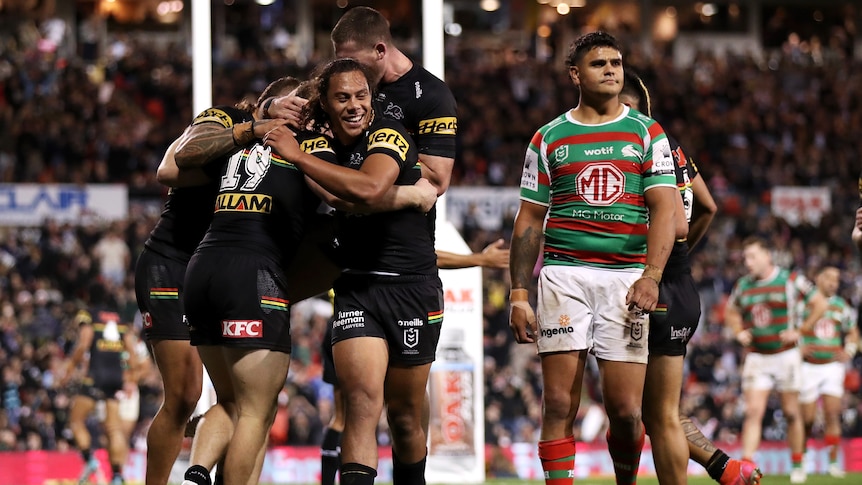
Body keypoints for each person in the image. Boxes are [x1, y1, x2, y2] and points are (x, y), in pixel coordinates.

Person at [507, 32, 678, 485]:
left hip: (626, 278)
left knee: (624, 411)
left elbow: (667, 208)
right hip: (564, 276)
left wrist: (652, 275)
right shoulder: (548, 137)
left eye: (616, 63)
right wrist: (519, 294)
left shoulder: (646, 130)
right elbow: (528, 220)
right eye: (599, 63)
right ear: (575, 75)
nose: (610, 70)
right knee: (560, 403)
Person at [265, 58, 441, 485]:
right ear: (326, 102)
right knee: (362, 405)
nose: (354, 106)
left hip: (411, 287)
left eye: (361, 95)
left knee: (402, 419)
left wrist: (297, 157)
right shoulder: (320, 144)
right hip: (356, 286)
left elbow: (366, 188)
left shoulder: (389, 135)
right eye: (342, 97)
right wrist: (272, 106)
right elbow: (336, 193)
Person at [135, 77, 298, 485]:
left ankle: (206, 473)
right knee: (184, 396)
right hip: (170, 263)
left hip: (213, 271)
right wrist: (249, 134)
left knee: (240, 400)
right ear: (271, 102)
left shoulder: (288, 149)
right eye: (291, 105)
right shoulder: (227, 119)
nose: (297, 116)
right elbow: (169, 168)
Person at [619, 71, 762, 485]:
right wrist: (674, 259)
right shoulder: (672, 147)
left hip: (649, 286)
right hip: (681, 284)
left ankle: (723, 469)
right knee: (660, 412)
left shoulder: (629, 149)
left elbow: (675, 222)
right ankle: (726, 468)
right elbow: (708, 207)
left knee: (648, 415)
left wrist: (656, 264)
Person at [318, 240, 509, 485]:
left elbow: (420, 253)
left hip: (397, 300)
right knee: (359, 410)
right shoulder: (347, 219)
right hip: (355, 310)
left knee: (398, 415)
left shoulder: (404, 227)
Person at [268, 5, 457, 197]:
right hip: (343, 216)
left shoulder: (432, 95)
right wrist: (272, 105)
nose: (347, 70)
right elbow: (280, 104)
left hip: (395, 218)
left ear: (380, 51)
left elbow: (436, 180)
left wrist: (373, 168)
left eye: (353, 61)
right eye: (339, 61)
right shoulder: (343, 83)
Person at [725, 236, 828, 484]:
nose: (747, 262)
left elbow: (819, 303)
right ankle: (747, 467)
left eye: (752, 256)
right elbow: (731, 311)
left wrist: (800, 331)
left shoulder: (790, 280)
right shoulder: (743, 285)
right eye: (745, 257)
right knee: (752, 412)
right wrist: (739, 332)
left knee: (792, 413)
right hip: (757, 356)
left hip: (786, 355)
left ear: (767, 256)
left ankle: (797, 463)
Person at [61, 283, 140, 485]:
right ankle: (116, 475)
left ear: (88, 296)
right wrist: (129, 378)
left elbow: (84, 344)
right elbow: (132, 355)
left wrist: (69, 369)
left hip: (95, 376)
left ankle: (89, 461)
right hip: (115, 377)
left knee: (76, 421)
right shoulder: (119, 318)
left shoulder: (88, 315)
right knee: (114, 429)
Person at [799, 266, 859, 478]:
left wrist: (849, 351)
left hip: (832, 367)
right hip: (807, 366)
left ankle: (833, 462)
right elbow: (792, 327)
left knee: (832, 414)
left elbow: (853, 332)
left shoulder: (841, 305)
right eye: (829, 278)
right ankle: (802, 460)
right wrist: (799, 347)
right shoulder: (805, 302)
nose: (834, 283)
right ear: (818, 278)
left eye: (837, 279)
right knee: (806, 418)